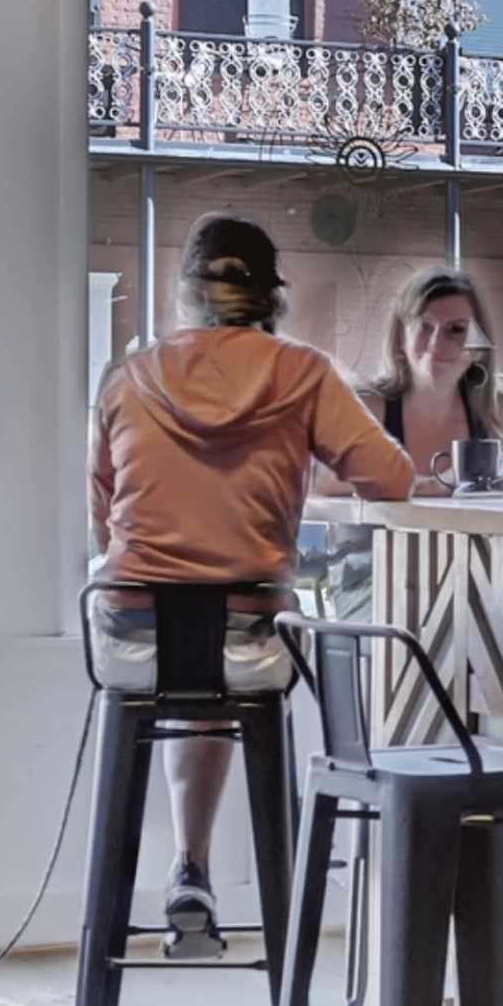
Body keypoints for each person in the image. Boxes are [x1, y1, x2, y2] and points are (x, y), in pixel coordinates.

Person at [90, 217, 428, 958]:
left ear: (185, 294)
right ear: (271, 298)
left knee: (191, 656)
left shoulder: (127, 377)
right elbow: (394, 478)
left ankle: (191, 865)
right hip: (247, 637)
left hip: (130, 638)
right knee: (227, 646)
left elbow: (102, 523)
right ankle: (228, 897)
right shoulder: (301, 374)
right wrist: (296, 454)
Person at [363, 268, 503, 484]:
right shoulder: (369, 405)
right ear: (401, 336)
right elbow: (322, 479)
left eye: (456, 329)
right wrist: (426, 486)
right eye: (425, 327)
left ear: (478, 347)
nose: (436, 343)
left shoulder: (491, 406)